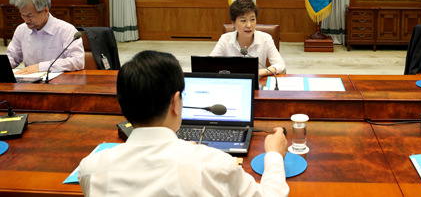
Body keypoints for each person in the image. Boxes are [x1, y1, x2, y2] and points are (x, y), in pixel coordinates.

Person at [78, 51, 289, 197]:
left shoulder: (90, 169)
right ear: (175, 102)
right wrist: (274, 155)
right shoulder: (215, 165)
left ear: (123, 105)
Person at [6, 0, 84, 74]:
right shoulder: (21, 29)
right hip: (30, 82)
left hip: (60, 81)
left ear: (45, 10)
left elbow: (78, 61)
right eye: (22, 15)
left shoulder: (66, 30)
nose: (26, 20)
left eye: (30, 16)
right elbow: (12, 57)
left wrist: (40, 67)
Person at [210, 0, 286, 77]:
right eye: (243, 20)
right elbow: (209, 64)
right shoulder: (225, 39)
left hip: (257, 85)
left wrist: (260, 72)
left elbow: (281, 65)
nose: (249, 25)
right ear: (233, 23)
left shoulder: (265, 39)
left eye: (252, 19)